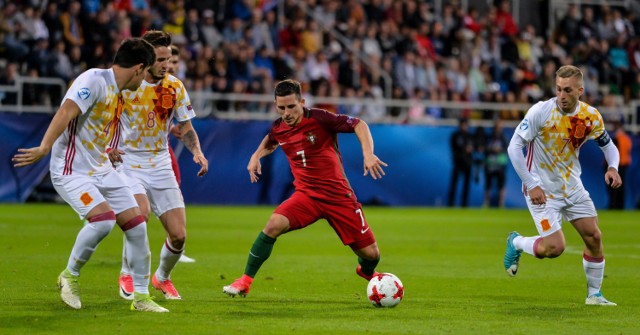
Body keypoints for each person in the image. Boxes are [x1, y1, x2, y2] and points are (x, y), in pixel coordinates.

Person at [12, 38, 168, 312]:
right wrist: (45, 147)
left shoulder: (119, 90)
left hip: (102, 168)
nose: (144, 80)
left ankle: (141, 298)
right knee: (104, 221)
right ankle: (69, 276)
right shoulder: (94, 80)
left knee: (137, 225)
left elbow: (95, 125)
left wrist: (107, 148)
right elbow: (66, 111)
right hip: (72, 171)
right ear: (138, 69)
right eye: (145, 73)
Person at [222, 79, 388, 297]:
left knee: (371, 254)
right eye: (281, 107)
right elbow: (271, 140)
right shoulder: (279, 127)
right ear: (275, 105)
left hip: (339, 197)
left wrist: (368, 153)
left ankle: (366, 271)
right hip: (307, 196)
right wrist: (256, 155)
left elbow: (359, 124)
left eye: (291, 106)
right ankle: (244, 281)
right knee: (273, 225)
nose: (287, 112)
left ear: (302, 101)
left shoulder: (320, 118)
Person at [503, 65, 622, 306]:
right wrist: (531, 183)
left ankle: (594, 295)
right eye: (558, 89)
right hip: (542, 191)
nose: (562, 95)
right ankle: (516, 242)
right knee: (555, 248)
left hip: (572, 187)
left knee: (594, 237)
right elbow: (514, 147)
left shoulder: (590, 116)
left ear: (580, 90)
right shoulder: (541, 112)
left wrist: (613, 168)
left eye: (567, 90)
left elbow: (608, 146)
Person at [109, 31, 208, 301]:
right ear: (147, 58)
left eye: (169, 58)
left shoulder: (174, 87)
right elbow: (105, 118)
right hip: (128, 161)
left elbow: (186, 126)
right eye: (161, 59)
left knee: (178, 236)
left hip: (160, 162)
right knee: (139, 216)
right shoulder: (126, 84)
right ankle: (126, 272)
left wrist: (197, 152)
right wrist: (108, 145)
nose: (166, 64)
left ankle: (162, 277)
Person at [168, 43, 197, 264]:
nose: (171, 66)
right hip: (131, 152)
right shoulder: (138, 83)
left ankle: (173, 244)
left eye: (176, 62)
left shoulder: (175, 86)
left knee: (174, 190)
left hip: (159, 149)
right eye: (168, 61)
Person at [448, 118, 474, 207]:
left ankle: (464, 204)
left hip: (467, 163)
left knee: (466, 185)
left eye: (465, 125)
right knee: (454, 184)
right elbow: (454, 149)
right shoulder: (455, 136)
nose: (464, 127)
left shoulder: (470, 136)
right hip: (458, 162)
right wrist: (464, 150)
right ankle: (450, 204)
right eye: (463, 125)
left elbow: (474, 148)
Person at [607, 118, 632, 209]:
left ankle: (613, 205)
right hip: (624, 164)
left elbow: (612, 152)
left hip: (617, 165)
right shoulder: (627, 138)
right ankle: (620, 205)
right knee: (621, 186)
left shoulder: (616, 138)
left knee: (613, 186)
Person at [484, 119, 508, 207]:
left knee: (501, 184)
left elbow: (506, 149)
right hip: (490, 163)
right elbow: (485, 149)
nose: (498, 128)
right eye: (497, 127)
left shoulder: (504, 138)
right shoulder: (489, 137)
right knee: (488, 184)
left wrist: (499, 150)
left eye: (500, 127)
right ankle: (486, 203)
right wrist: (492, 149)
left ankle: (501, 203)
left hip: (500, 164)